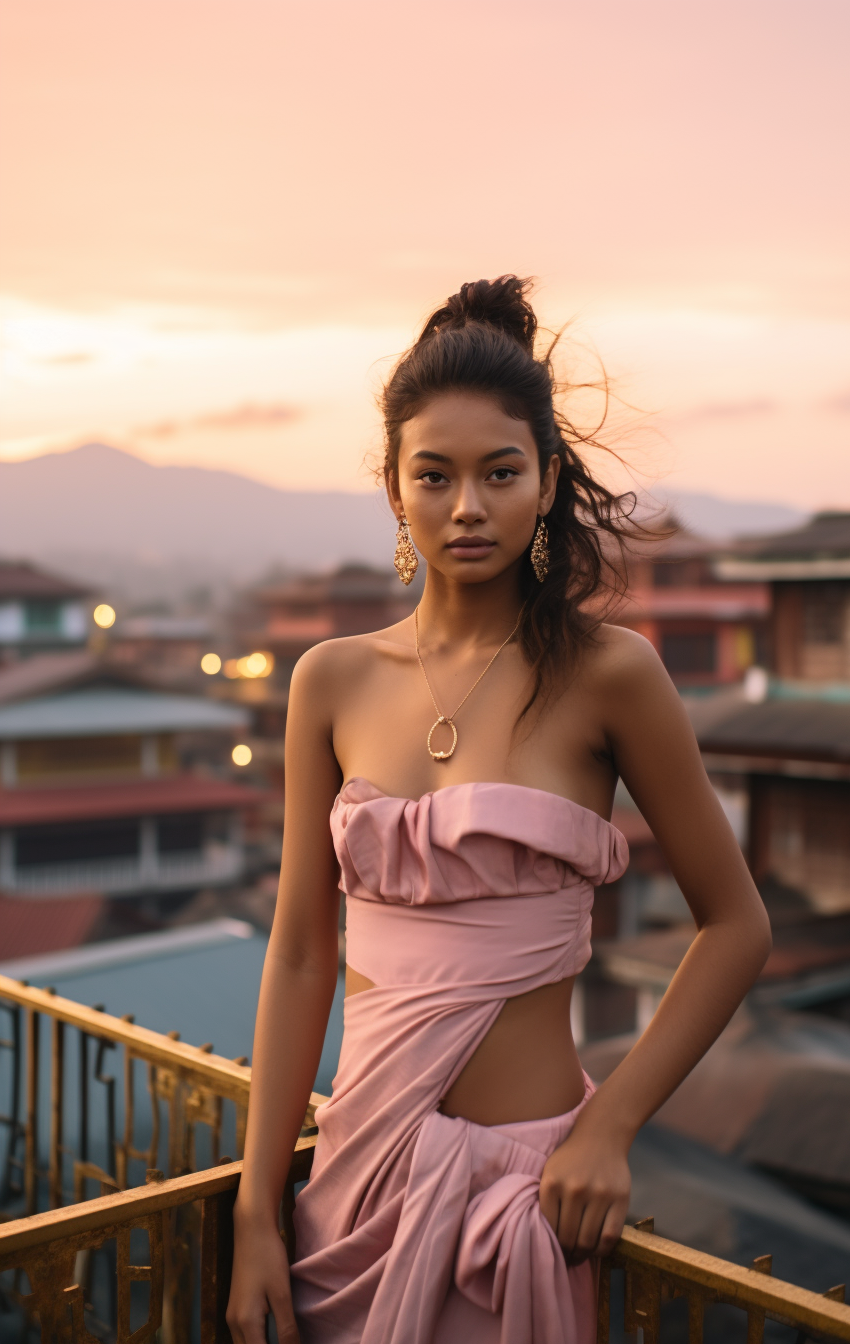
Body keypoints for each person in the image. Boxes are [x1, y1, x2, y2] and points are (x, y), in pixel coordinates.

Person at [226, 275, 772, 1344]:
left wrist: (608, 1127)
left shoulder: (612, 675)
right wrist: (255, 1209)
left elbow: (735, 926)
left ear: (544, 480)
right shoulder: (327, 681)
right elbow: (299, 953)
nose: (465, 506)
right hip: (349, 1189)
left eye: (498, 473)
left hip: (519, 1198)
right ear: (394, 489)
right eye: (433, 476)